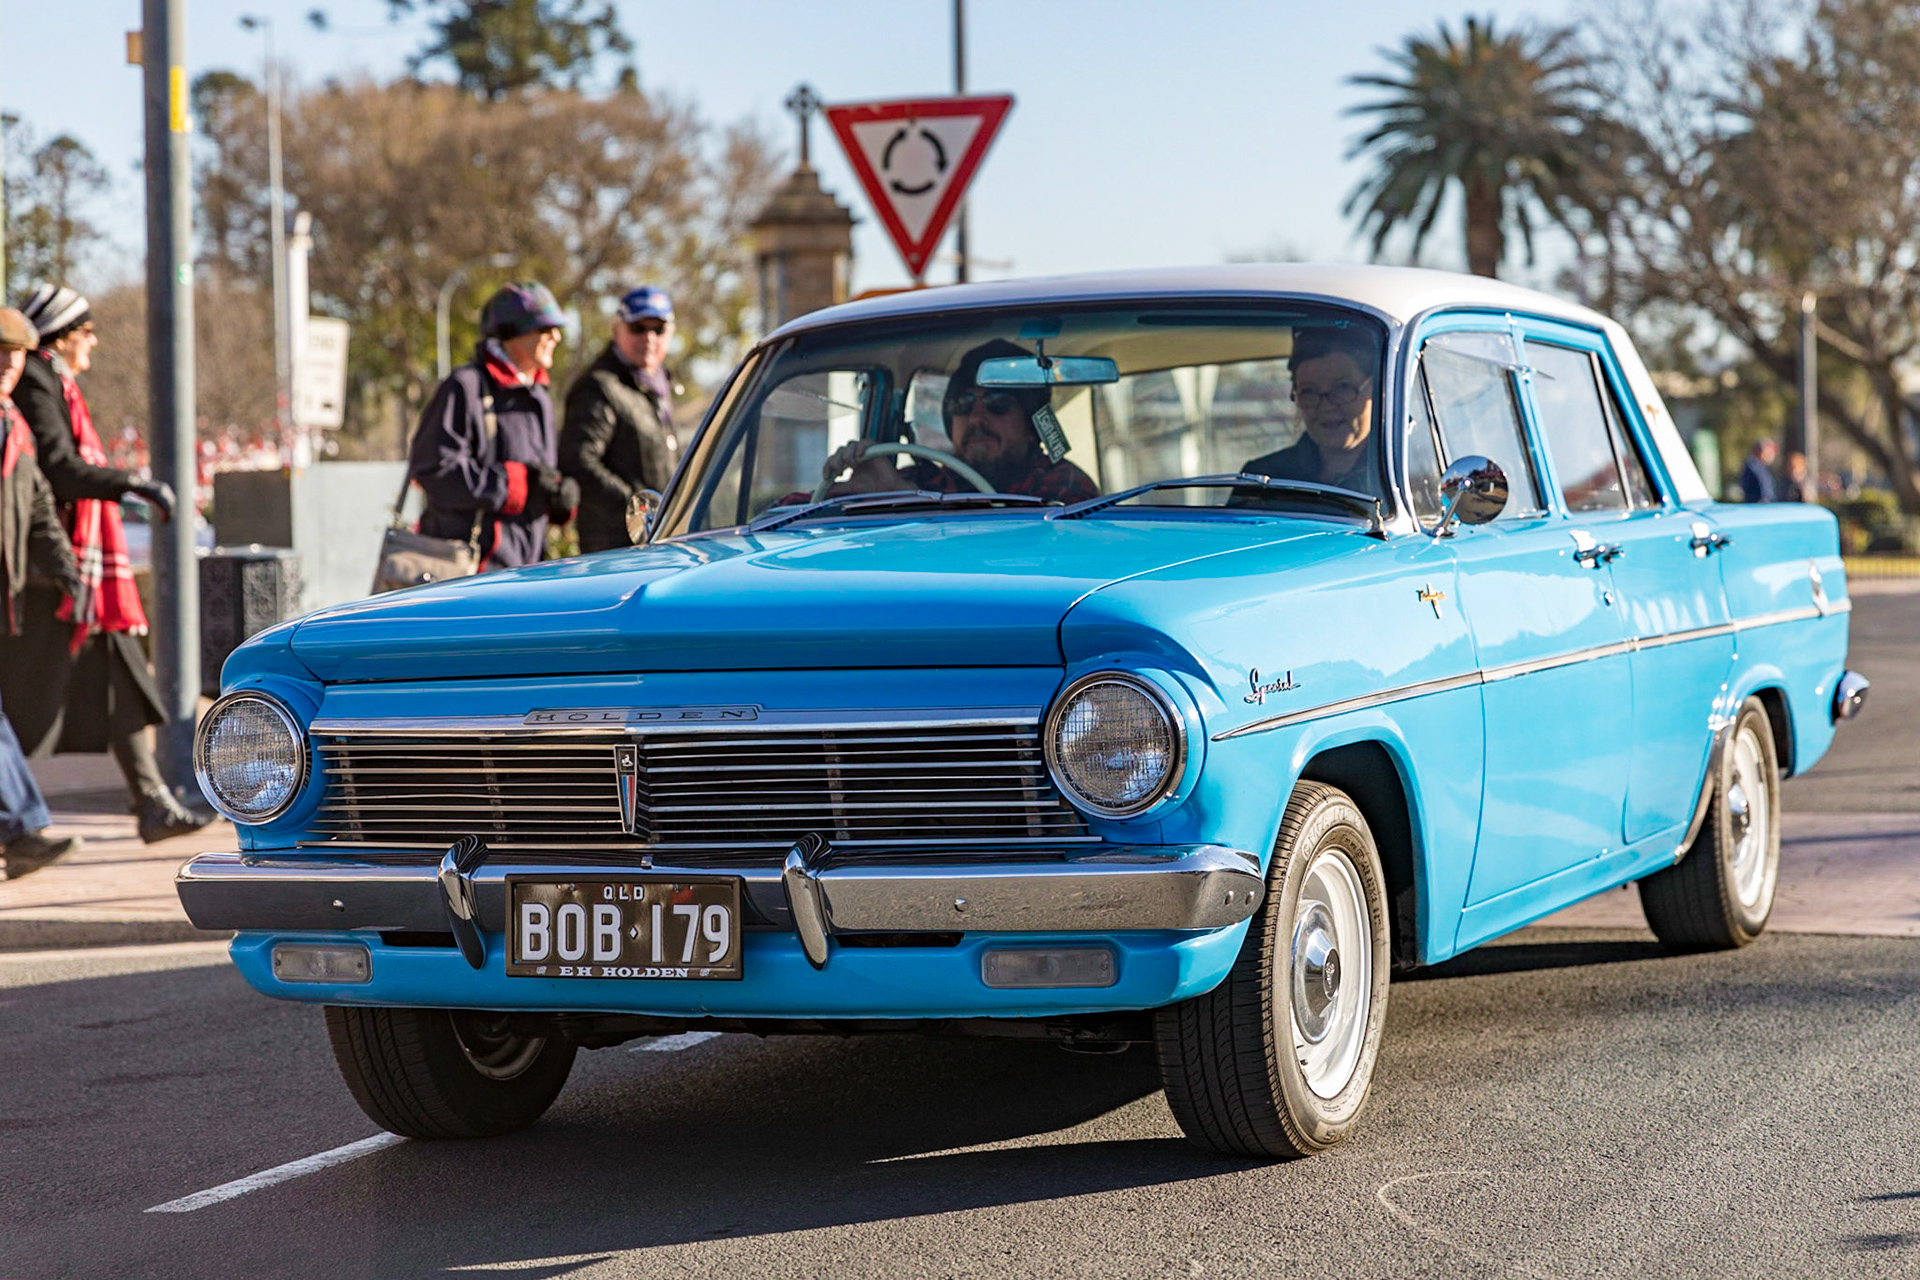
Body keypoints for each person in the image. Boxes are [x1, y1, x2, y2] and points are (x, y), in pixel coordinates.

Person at [1, 284, 205, 845]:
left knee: (116, 674)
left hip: (62, 568)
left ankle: (150, 801)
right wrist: (131, 483)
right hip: (43, 574)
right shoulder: (39, 384)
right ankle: (20, 827)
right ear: (63, 337)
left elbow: (41, 489)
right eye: (86, 331)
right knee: (23, 704)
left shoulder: (50, 388)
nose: (94, 341)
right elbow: (58, 472)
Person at [407, 282, 578, 570]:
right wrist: (515, 483)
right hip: (472, 576)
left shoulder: (540, 393)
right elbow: (431, 470)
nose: (556, 337)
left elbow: (537, 478)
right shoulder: (465, 386)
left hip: (527, 571)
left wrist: (557, 496)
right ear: (512, 332)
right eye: (545, 329)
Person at [0, 306, 83, 877]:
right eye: (0, 353)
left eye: (18, 355)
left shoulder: (14, 428)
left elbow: (36, 512)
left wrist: (69, 574)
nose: (9, 364)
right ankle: (22, 828)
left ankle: (21, 828)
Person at [821, 339, 1099, 504]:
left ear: (1031, 425)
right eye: (961, 404)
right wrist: (855, 497)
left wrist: (906, 497)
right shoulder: (920, 480)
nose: (976, 418)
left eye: (998, 404)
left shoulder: (1063, 485)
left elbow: (1023, 542)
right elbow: (786, 514)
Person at [559, 286, 680, 552]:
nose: (649, 338)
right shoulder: (599, 386)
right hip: (615, 551)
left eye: (658, 329)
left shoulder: (659, 387)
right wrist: (639, 510)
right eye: (638, 327)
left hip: (658, 542)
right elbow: (578, 461)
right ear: (617, 329)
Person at [1241, 327, 1380, 492]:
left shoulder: (1404, 476)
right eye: (1309, 391)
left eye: (1342, 387)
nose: (1326, 406)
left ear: (1374, 389)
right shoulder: (1263, 479)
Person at [1739, 438, 1780, 503]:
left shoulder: (1762, 467)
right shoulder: (1754, 467)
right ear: (1760, 451)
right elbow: (1763, 491)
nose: (1772, 455)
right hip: (1759, 508)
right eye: (1770, 452)